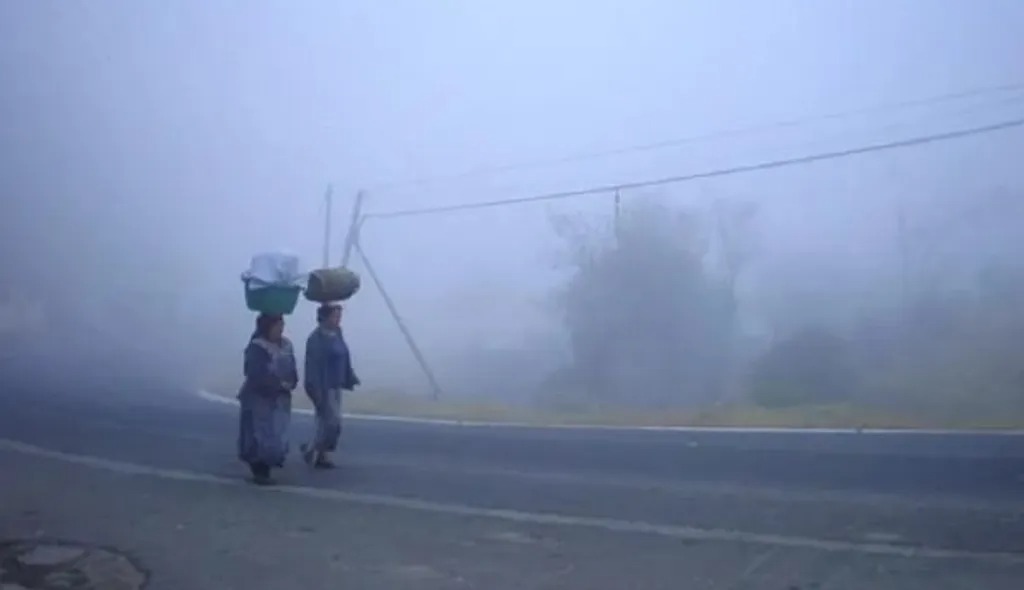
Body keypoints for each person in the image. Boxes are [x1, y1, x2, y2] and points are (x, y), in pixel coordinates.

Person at [237, 312, 297, 485]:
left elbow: (292, 369)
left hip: (280, 399)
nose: (281, 329)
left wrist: (290, 383)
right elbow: (254, 373)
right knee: (259, 435)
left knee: (277, 435)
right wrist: (277, 384)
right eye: (277, 325)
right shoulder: (257, 347)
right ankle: (260, 470)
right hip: (259, 398)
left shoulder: (286, 345)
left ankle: (268, 465)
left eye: (282, 325)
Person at [302, 303, 360, 469]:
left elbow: (344, 355)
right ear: (325, 317)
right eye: (335, 316)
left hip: (336, 383)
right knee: (332, 422)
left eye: (339, 316)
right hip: (322, 385)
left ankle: (322, 455)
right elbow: (312, 366)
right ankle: (310, 448)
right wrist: (314, 389)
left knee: (326, 422)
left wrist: (350, 376)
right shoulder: (315, 339)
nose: (338, 319)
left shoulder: (337, 333)